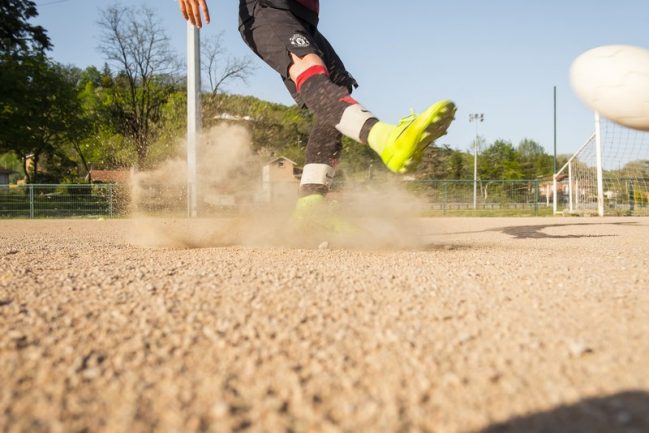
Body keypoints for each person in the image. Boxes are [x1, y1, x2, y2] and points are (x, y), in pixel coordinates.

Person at [178, 0, 456, 225]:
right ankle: (385, 138)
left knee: (338, 87)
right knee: (311, 70)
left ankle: (310, 209)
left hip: (305, 20)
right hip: (267, 9)